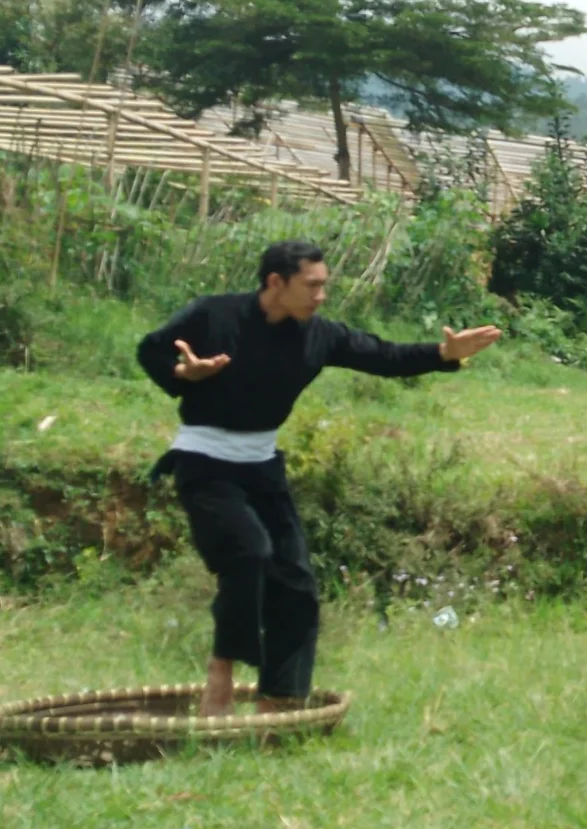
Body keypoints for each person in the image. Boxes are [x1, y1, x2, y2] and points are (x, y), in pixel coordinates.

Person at [138, 240, 500, 716]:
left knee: (297, 585)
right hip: (204, 462)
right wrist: (183, 374)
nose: (321, 296)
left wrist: (442, 353)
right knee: (248, 553)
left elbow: (383, 355)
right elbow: (151, 350)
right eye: (312, 286)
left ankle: (279, 702)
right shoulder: (213, 315)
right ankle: (220, 673)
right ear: (275, 283)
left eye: (324, 286)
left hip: (261, 467)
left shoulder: (318, 336)